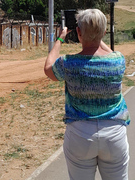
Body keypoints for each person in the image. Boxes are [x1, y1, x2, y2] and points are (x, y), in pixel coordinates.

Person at [44, 9, 130, 180]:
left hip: (80, 134)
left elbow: (48, 69)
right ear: (104, 33)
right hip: (114, 134)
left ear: (78, 32)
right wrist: (97, 36)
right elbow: (109, 52)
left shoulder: (68, 63)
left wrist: (60, 38)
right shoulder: (118, 60)